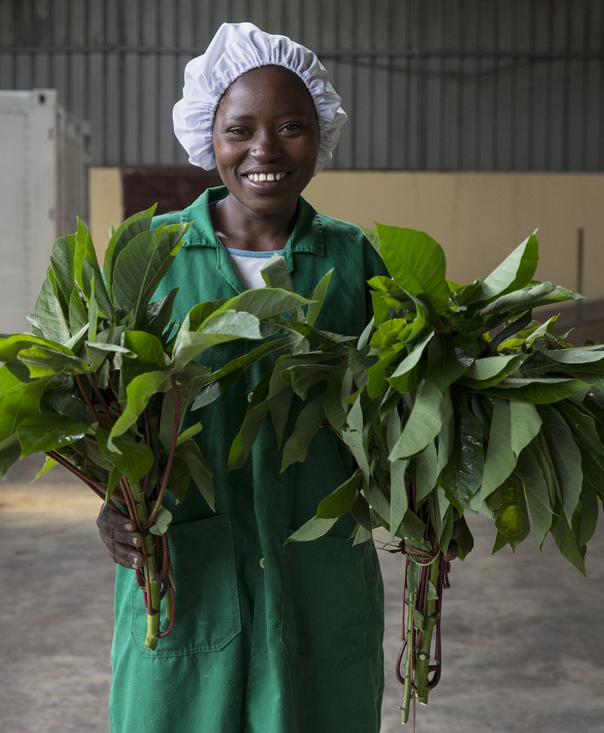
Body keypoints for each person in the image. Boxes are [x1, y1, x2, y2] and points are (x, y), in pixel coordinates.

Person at [97, 22, 386, 733]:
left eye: (291, 126)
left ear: (321, 135)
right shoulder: (153, 256)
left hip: (320, 572)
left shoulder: (354, 261)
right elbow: (103, 402)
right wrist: (113, 502)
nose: (265, 149)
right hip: (187, 566)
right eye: (240, 129)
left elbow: (396, 398)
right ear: (209, 137)